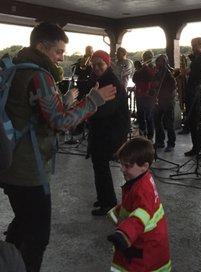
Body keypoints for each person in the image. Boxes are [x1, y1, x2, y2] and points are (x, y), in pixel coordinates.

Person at [0, 22, 116, 272]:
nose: (62, 57)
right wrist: (94, 100)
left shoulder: (16, 69)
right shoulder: (40, 75)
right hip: (29, 170)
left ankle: (8, 264)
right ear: (42, 47)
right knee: (37, 237)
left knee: (22, 223)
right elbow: (60, 122)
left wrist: (63, 100)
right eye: (59, 51)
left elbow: (29, 114)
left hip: (10, 163)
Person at [107, 137, 171, 272]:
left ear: (145, 167)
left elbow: (140, 215)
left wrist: (123, 235)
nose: (122, 169)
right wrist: (118, 211)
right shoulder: (139, 179)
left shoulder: (143, 189)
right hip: (144, 241)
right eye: (121, 164)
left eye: (128, 165)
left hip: (144, 247)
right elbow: (133, 206)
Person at [88, 50, 130, 217]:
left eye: (100, 64)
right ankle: (103, 197)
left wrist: (85, 111)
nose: (97, 67)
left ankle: (108, 203)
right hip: (104, 130)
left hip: (111, 131)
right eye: (94, 64)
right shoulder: (101, 79)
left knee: (101, 165)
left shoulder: (111, 82)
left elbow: (105, 110)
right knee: (99, 165)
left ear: (107, 64)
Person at [153, 55, 177, 152]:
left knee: (169, 124)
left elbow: (173, 88)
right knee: (157, 122)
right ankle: (160, 141)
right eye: (157, 62)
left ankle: (171, 143)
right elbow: (154, 85)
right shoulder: (157, 73)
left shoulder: (169, 74)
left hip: (167, 102)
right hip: (158, 101)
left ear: (164, 63)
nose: (157, 64)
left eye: (159, 62)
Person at [132, 50, 156, 140]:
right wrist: (139, 70)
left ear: (151, 58)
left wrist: (145, 69)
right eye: (145, 57)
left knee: (149, 116)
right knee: (141, 115)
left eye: (148, 57)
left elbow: (152, 78)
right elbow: (134, 79)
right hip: (139, 95)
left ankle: (150, 136)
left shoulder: (153, 67)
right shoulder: (141, 68)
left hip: (149, 96)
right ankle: (142, 134)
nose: (146, 59)